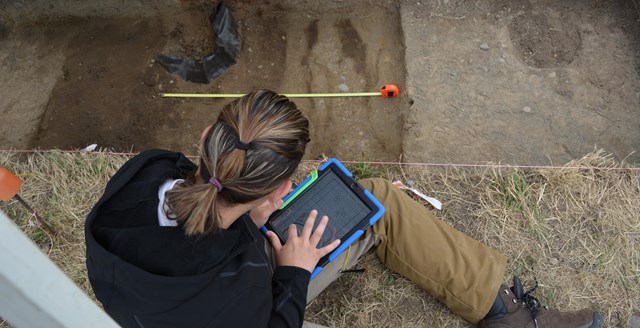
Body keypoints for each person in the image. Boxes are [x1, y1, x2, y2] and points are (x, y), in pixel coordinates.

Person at [85, 89, 603, 328]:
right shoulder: (239, 282)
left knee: (366, 195)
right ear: (275, 192)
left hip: (157, 301)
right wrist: (292, 272)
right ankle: (505, 315)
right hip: (247, 299)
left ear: (206, 141)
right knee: (376, 201)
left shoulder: (142, 176)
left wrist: (256, 214)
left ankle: (497, 309)